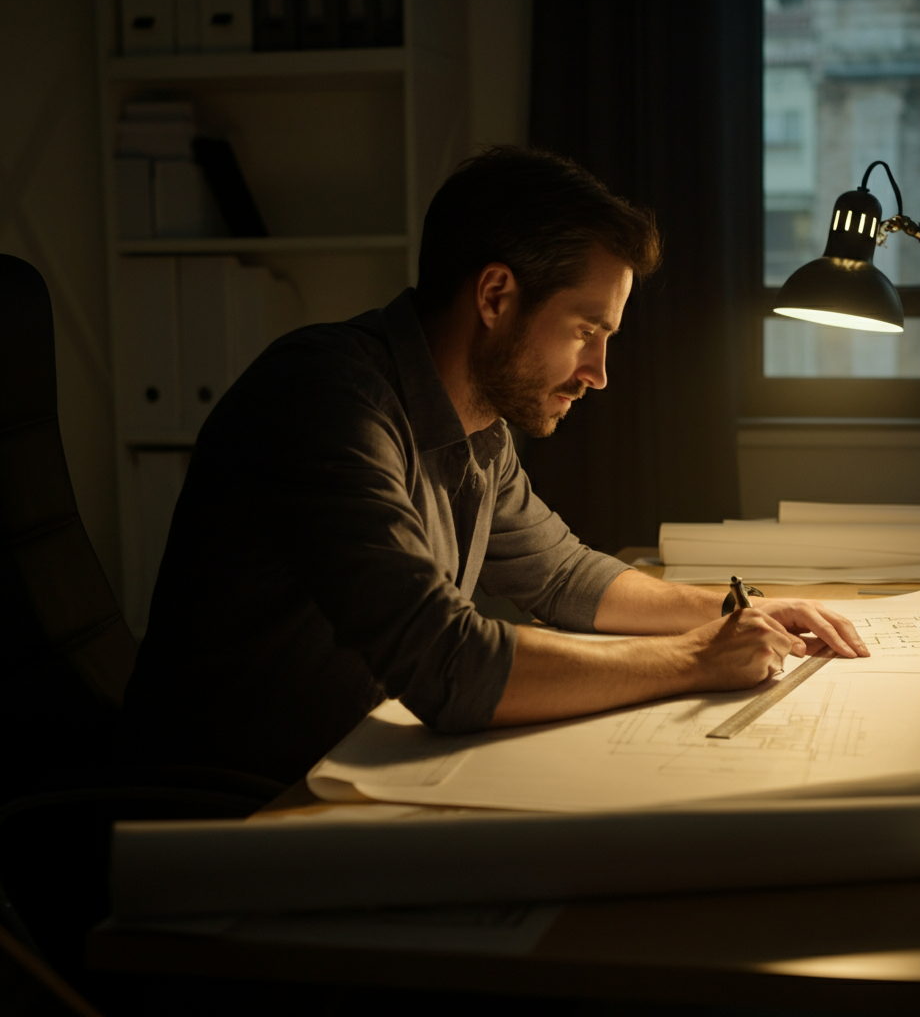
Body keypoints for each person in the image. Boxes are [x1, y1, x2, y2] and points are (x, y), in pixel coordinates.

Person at [124, 147, 868, 783]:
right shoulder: (326, 401)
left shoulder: (478, 425)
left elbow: (561, 576)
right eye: (586, 331)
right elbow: (446, 662)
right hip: (242, 811)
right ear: (495, 295)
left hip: (356, 767)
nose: (599, 372)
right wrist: (695, 660)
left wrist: (740, 610)